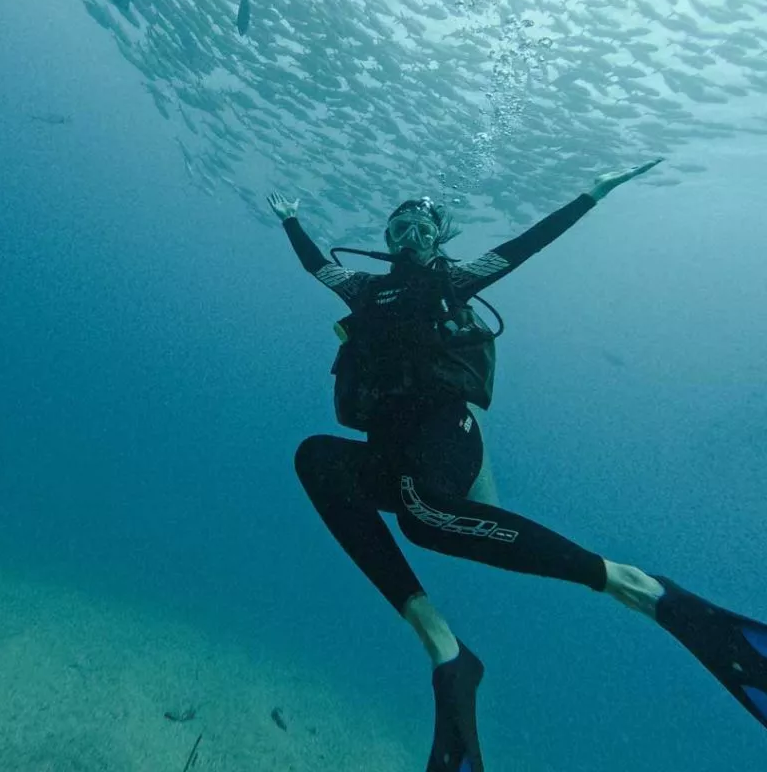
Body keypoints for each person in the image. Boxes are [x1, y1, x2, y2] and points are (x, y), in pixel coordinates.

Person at [267, 163, 767, 772]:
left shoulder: (453, 280)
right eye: (399, 229)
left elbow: (525, 245)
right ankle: (445, 649)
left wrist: (592, 193)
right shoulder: (363, 290)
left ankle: (641, 588)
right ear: (387, 238)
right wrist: (291, 220)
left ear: (439, 237)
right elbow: (317, 266)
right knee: (318, 459)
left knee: (423, 516)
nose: (409, 239)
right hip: (390, 451)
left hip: (448, 438)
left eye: (422, 229)